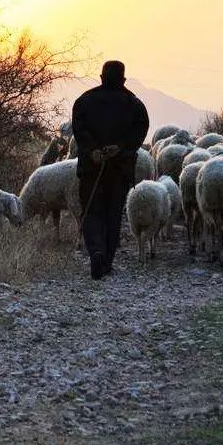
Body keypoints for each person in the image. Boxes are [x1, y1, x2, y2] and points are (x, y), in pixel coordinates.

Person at [71, 60, 149, 280]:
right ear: (123, 79)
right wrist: (120, 147)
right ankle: (106, 262)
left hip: (91, 168)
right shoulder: (134, 104)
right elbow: (140, 130)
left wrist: (92, 150)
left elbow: (79, 129)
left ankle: (96, 251)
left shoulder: (84, 101)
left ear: (101, 77)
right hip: (119, 169)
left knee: (91, 211)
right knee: (113, 214)